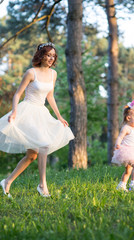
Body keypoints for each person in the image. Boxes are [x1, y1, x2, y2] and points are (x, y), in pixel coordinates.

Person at [0, 42, 74, 198]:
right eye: (48, 55)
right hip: (27, 111)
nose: (50, 58)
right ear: (41, 56)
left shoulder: (53, 74)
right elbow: (17, 94)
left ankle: (7, 182)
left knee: (32, 155)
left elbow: (50, 96)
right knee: (44, 145)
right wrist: (14, 112)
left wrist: (59, 116)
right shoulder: (31, 73)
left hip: (42, 112)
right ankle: (42, 185)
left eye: (53, 56)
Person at [111, 100, 134, 192]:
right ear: (128, 118)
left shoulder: (133, 128)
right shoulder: (126, 128)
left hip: (132, 150)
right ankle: (133, 183)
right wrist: (117, 144)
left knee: (128, 171)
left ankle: (121, 186)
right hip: (126, 151)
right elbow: (120, 137)